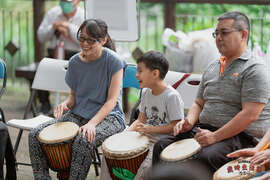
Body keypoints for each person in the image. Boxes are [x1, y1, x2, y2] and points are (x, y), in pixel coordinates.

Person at [152, 11, 270, 173]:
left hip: (240, 136)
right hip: (205, 128)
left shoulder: (255, 69)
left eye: (224, 32)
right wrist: (189, 121)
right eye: (216, 33)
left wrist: (215, 137)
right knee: (162, 146)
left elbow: (250, 114)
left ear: (243, 35)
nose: (218, 38)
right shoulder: (212, 66)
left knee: (205, 157)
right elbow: (198, 102)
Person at [29, 18, 126, 180]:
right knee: (35, 135)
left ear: (103, 40)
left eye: (91, 40)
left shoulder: (114, 61)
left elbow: (111, 101)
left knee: (84, 139)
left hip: (110, 117)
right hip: (79, 114)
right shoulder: (74, 62)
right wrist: (65, 104)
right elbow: (73, 97)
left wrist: (92, 124)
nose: (85, 44)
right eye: (82, 38)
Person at [100, 50, 185, 179]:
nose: (136, 75)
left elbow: (175, 126)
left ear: (155, 73)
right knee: (108, 154)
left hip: (162, 142)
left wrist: (150, 129)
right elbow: (141, 120)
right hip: (143, 136)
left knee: (145, 169)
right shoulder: (146, 92)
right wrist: (125, 133)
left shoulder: (171, 96)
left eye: (140, 71)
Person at [37, 0, 84, 114]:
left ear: (77, 2)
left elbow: (84, 39)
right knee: (41, 69)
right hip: (54, 53)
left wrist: (68, 27)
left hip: (75, 55)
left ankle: (75, 105)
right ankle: (45, 104)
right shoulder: (53, 13)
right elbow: (41, 36)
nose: (64, 3)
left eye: (67, 1)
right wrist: (53, 26)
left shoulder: (83, 15)